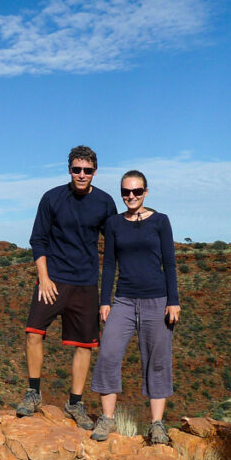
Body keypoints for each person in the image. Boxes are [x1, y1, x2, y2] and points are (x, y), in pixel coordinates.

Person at [16, 146, 118, 428]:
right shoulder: (52, 198)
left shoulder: (105, 202)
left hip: (85, 283)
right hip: (53, 280)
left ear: (95, 172)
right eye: (77, 169)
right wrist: (44, 278)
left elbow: (113, 245)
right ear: (69, 170)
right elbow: (38, 240)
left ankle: (75, 403)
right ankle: (33, 393)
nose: (81, 175)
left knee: (84, 345)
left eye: (87, 170)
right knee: (33, 332)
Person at [89, 169, 181, 444]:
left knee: (157, 361)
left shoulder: (161, 221)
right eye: (126, 192)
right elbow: (108, 265)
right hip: (124, 301)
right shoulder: (115, 224)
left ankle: (156, 425)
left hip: (157, 300)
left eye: (137, 191)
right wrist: (105, 301)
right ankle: (107, 420)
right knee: (108, 355)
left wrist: (173, 301)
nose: (131, 196)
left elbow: (170, 263)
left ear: (146, 192)